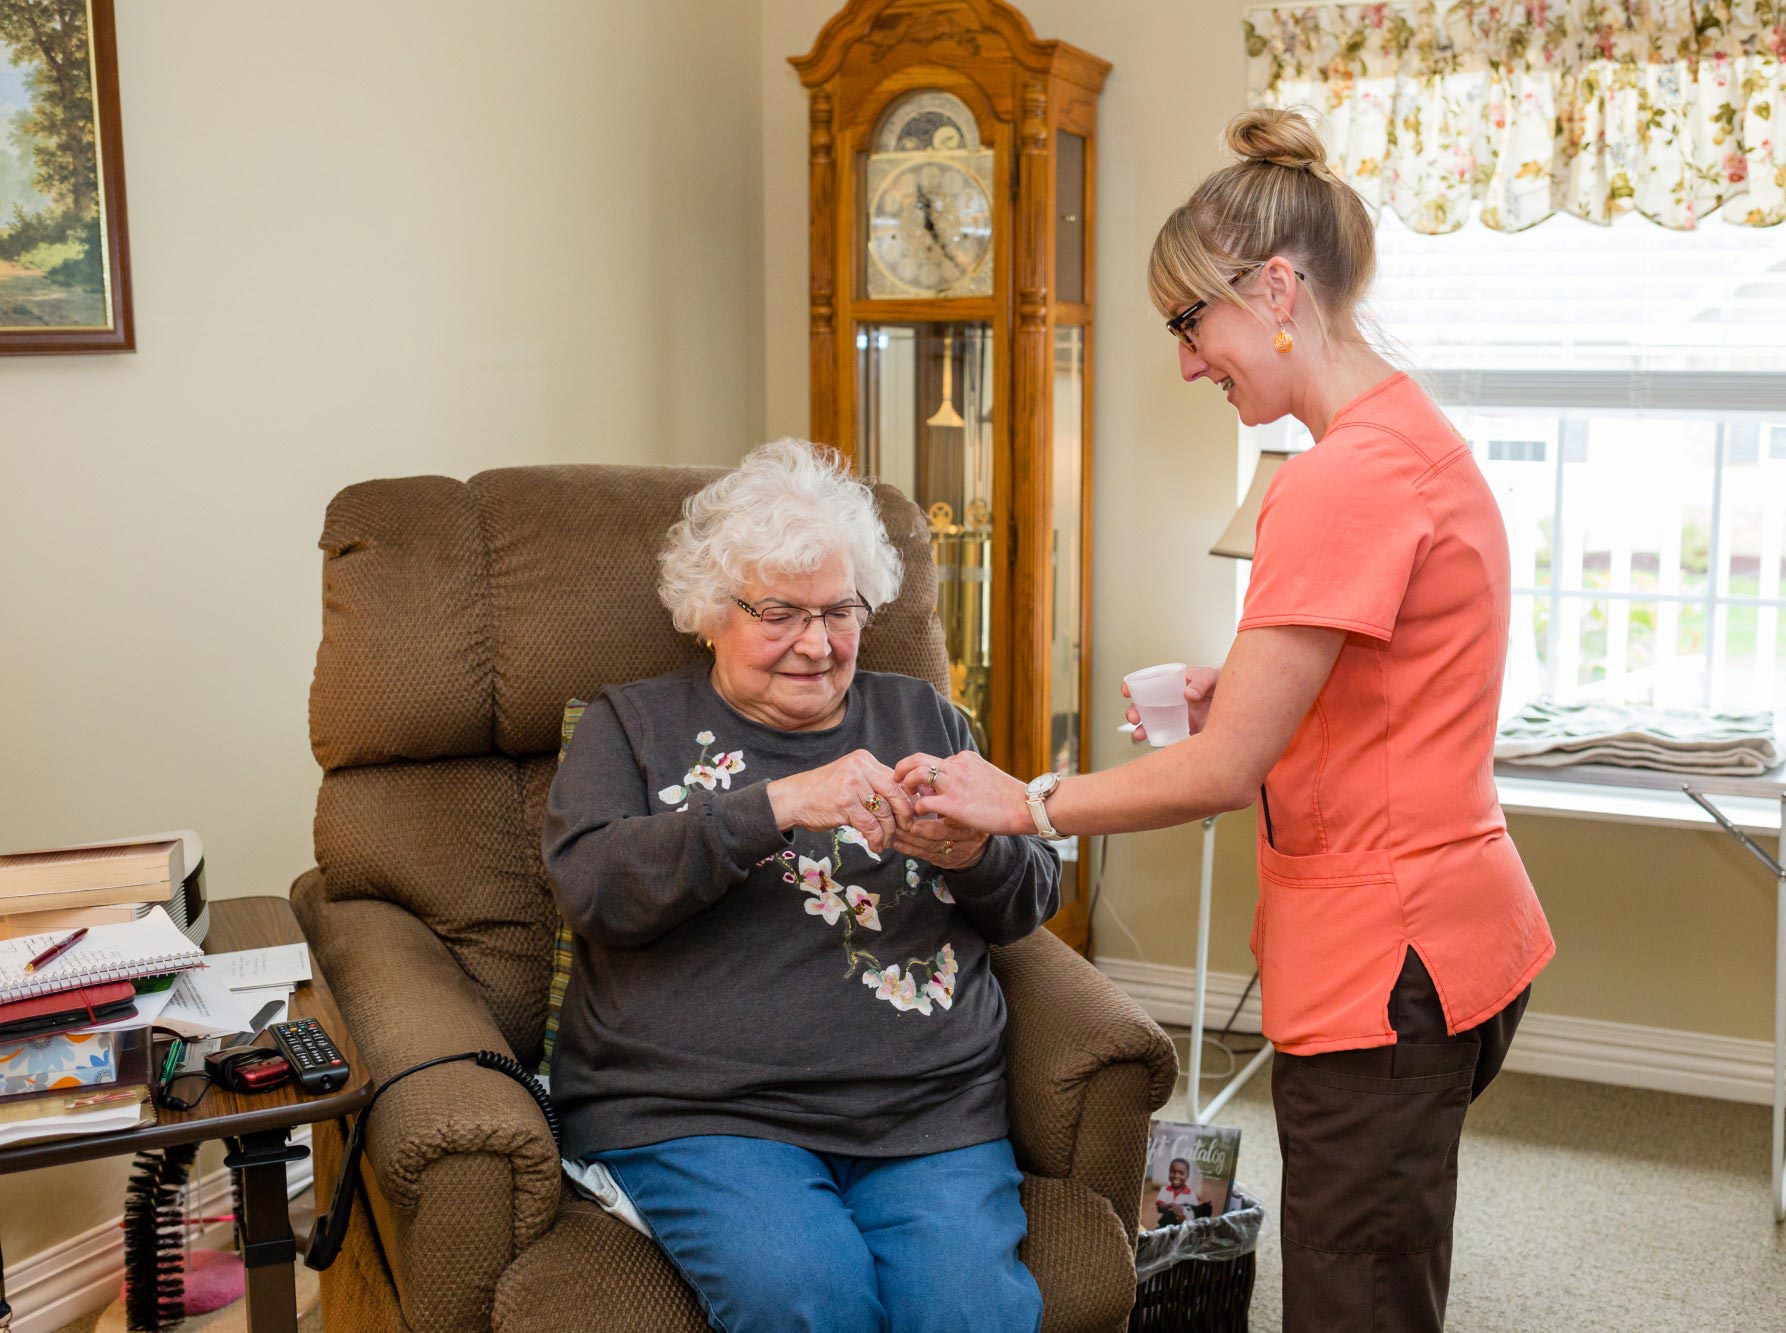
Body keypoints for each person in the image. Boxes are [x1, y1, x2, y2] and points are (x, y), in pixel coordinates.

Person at [894, 108, 1555, 1332]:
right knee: (1390, 1264)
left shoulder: (1336, 481)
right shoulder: (1407, 438)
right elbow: (1386, 677)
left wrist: (1023, 803)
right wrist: (1240, 682)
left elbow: (1221, 768)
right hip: (1458, 929)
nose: (1189, 361)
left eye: (1190, 322)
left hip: (1384, 959)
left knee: (1354, 1301)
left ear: (1276, 287)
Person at [543, 439, 1056, 1333]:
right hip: (703, 1111)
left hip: (926, 1107)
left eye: (840, 611)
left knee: (972, 1314)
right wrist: (774, 803)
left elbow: (1029, 900)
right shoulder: (630, 725)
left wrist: (973, 852)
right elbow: (594, 888)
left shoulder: (922, 716)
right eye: (780, 612)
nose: (817, 645)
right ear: (711, 612)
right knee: (809, 1296)